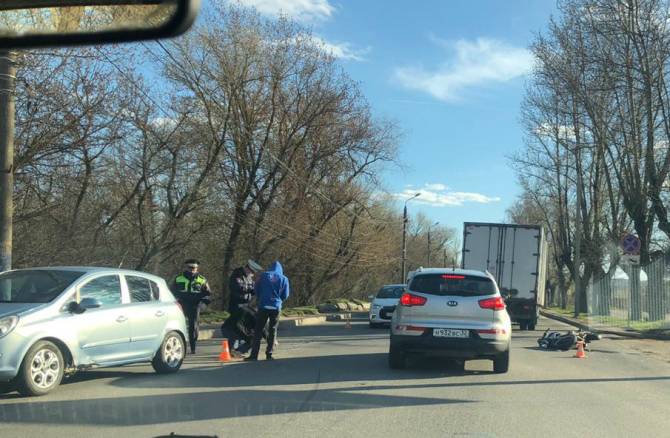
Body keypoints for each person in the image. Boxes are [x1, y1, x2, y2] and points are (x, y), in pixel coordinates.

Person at [245, 261, 290, 361]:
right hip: (276, 307)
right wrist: (278, 300)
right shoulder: (284, 279)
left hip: (263, 306)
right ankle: (269, 354)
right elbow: (285, 295)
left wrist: (261, 297)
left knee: (258, 330)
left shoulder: (263, 276)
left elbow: (256, 289)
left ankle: (254, 355)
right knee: (272, 330)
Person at [171, 259, 211, 354]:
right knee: (179, 325)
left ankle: (193, 347)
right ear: (186, 268)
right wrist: (175, 301)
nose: (192, 270)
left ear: (197, 268)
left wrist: (203, 304)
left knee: (193, 327)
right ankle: (180, 346)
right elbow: (172, 291)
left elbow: (207, 293)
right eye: (190, 268)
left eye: (194, 268)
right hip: (181, 305)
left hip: (195, 305)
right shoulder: (178, 278)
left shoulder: (202, 279)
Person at [223, 259, 263, 353]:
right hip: (236, 305)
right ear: (247, 268)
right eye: (252, 272)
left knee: (244, 328)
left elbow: (252, 288)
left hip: (246, 306)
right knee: (236, 327)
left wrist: (256, 289)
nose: (252, 274)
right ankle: (231, 349)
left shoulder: (248, 277)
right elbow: (236, 288)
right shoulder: (236, 275)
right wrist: (250, 290)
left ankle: (238, 350)